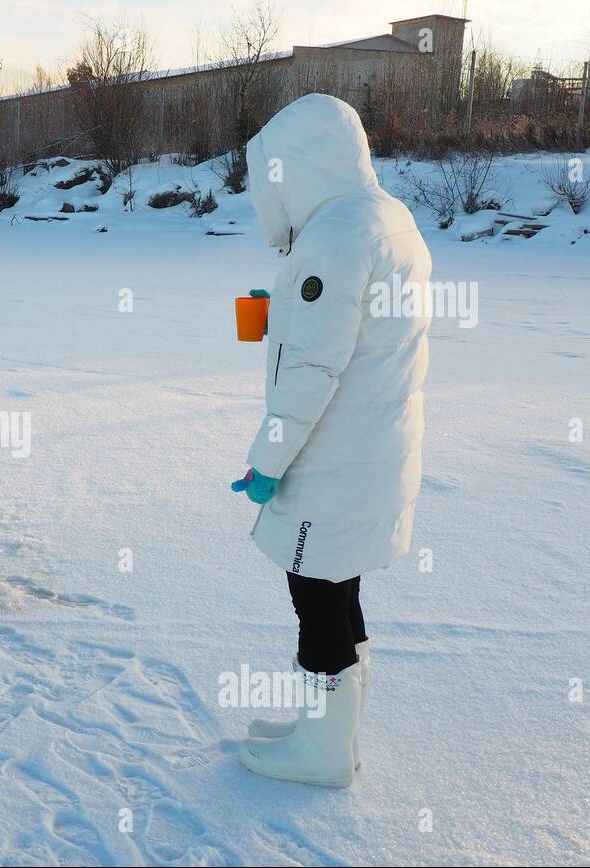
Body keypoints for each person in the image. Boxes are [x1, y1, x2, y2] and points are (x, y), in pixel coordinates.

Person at [230, 94, 432, 787]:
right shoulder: (386, 219)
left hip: (333, 460)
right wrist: (283, 313)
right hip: (370, 453)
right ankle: (329, 733)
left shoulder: (337, 238)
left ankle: (321, 754)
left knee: (314, 593)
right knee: (336, 591)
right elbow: (350, 337)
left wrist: (264, 464)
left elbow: (313, 371)